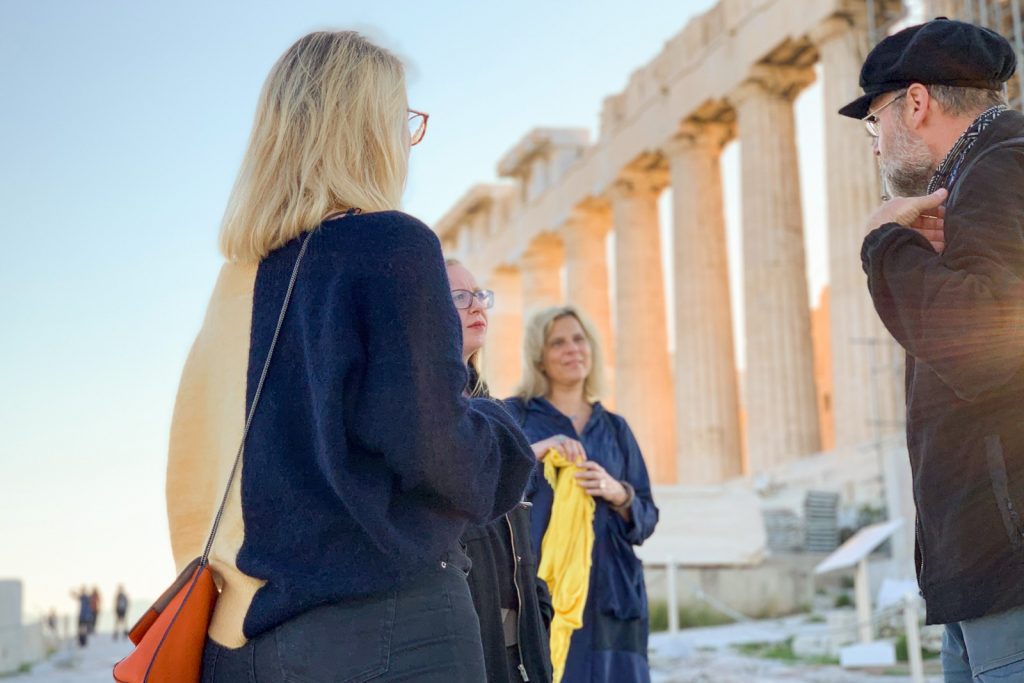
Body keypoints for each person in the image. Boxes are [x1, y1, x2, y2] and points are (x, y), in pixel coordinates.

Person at [165, 31, 535, 682]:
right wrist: (509, 434)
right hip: (389, 627)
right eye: (403, 121)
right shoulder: (390, 246)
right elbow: (444, 456)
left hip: (238, 640)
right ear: (366, 129)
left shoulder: (236, 284)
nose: (406, 141)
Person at [841, 18, 1024, 682]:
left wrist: (882, 242)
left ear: (915, 103)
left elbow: (988, 346)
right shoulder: (985, 170)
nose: (876, 145)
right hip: (986, 576)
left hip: (1010, 572)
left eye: (876, 123)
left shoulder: (1001, 166)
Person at [506, 306, 658, 682]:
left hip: (612, 592)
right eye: (558, 342)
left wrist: (617, 492)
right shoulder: (514, 417)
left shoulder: (615, 428)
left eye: (579, 339)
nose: (572, 349)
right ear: (539, 356)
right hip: (539, 593)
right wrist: (538, 451)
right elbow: (491, 487)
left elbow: (647, 517)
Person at [446, 259, 554, 683]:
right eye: (459, 297)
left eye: (480, 295)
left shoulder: (493, 408)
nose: (477, 306)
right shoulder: (418, 413)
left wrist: (539, 608)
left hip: (521, 650)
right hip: (464, 645)